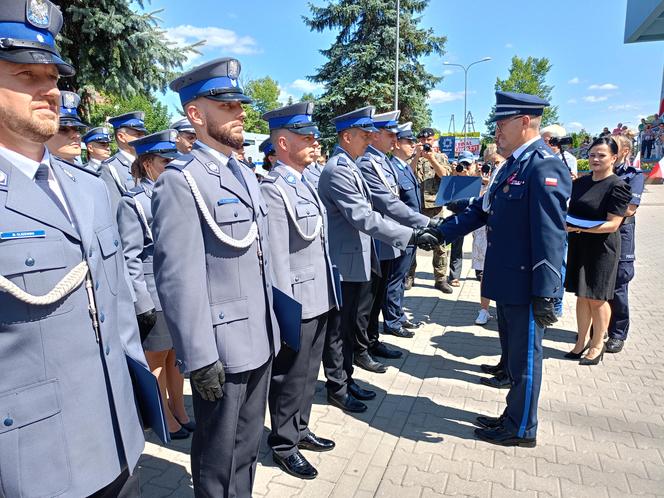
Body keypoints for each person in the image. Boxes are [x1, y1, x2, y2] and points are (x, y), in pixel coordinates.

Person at [0, 1, 148, 495]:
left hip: (116, 436)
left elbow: (116, 305)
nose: (50, 91)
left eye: (53, 76)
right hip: (34, 463)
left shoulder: (87, 187)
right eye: (27, 75)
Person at [153, 57, 280, 497]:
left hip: (260, 337)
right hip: (222, 349)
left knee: (246, 448)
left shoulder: (243, 174)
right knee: (217, 456)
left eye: (239, 105)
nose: (240, 112)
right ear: (195, 115)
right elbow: (177, 277)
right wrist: (199, 355)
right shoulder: (181, 181)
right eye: (226, 106)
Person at [432, 91, 572, 447]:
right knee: (513, 356)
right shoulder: (512, 165)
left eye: (501, 123)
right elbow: (482, 211)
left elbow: (550, 235)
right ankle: (512, 415)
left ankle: (523, 428)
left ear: (525, 122)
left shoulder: (544, 165)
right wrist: (438, 234)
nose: (496, 130)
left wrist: (547, 290)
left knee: (526, 359)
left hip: (528, 283)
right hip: (508, 277)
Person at [317, 106, 438, 414]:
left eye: (372, 134)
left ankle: (347, 379)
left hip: (358, 258)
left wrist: (420, 224)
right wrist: (410, 235)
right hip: (343, 265)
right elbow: (363, 215)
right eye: (364, 135)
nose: (369, 139)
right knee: (340, 331)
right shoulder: (338, 168)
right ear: (347, 137)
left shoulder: (353, 164)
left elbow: (383, 203)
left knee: (349, 327)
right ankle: (337, 388)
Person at [260, 102, 339, 480]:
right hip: (297, 301)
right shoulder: (274, 189)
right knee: (290, 376)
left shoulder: (305, 181)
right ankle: (283, 444)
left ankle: (301, 429)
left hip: (319, 294)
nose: (314, 143)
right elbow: (277, 258)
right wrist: (284, 310)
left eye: (314, 137)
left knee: (308, 374)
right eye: (306, 138)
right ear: (283, 143)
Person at [117, 129, 195, 441]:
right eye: (167, 159)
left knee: (177, 356)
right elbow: (130, 257)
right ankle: (162, 415)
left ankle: (180, 408)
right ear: (148, 164)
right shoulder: (133, 203)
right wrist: (142, 303)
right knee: (157, 359)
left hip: (178, 291)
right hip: (154, 294)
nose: (174, 163)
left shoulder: (177, 192)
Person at [358, 110, 432, 366]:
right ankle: (363, 347)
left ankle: (373, 340)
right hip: (378, 239)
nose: (395, 138)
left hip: (390, 239)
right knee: (369, 300)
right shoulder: (368, 163)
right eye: (390, 134)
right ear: (376, 135)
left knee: (378, 297)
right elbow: (387, 203)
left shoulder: (384, 161)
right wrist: (424, 224)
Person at [564, 137, 631, 365]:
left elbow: (613, 224)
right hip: (579, 244)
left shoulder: (618, 186)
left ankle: (597, 344)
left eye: (601, 155)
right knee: (582, 296)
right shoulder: (580, 183)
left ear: (614, 158)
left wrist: (578, 227)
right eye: (592, 154)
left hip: (602, 249)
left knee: (597, 298)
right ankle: (580, 342)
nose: (595, 159)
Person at [384, 122, 426, 335]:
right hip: (400, 232)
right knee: (395, 277)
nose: (413, 145)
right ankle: (392, 321)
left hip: (411, 232)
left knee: (401, 277)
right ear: (397, 143)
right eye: (409, 141)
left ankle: (398, 315)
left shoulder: (404, 167)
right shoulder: (392, 168)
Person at [606, 135, 644, 354]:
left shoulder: (633, 175)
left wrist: (601, 212)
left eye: (614, 147)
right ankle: (599, 327)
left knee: (619, 285)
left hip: (622, 234)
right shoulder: (600, 173)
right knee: (599, 283)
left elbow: (630, 208)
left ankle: (617, 333)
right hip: (601, 235)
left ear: (625, 152)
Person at [407, 127, 453, 293]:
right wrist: (417, 157)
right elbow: (406, 175)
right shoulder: (410, 156)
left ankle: (440, 279)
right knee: (410, 242)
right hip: (414, 206)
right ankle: (409, 276)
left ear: (433, 140)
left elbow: (446, 176)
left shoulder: (440, 157)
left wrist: (432, 158)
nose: (425, 143)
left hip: (434, 207)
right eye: (422, 140)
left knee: (439, 243)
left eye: (429, 140)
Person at [99, 111, 147, 216]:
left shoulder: (147, 162)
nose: (143, 138)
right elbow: (116, 212)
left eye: (143, 134)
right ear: (121, 137)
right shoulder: (110, 168)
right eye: (138, 134)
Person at [446, 150, 477, 288]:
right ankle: (454, 276)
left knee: (482, 244)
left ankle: (481, 272)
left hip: (478, 212)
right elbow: (447, 199)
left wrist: (471, 175)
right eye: (462, 164)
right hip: (460, 211)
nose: (464, 167)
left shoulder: (479, 175)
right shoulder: (454, 175)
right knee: (457, 245)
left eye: (467, 164)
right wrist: (455, 175)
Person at [45, 91, 87, 164]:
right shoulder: (39, 174)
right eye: (63, 129)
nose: (77, 135)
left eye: (77, 129)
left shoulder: (87, 172)